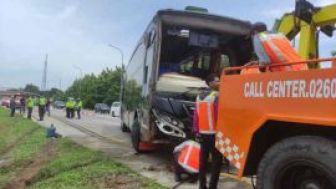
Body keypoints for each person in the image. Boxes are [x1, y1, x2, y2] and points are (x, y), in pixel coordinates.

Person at [194, 74, 223, 189]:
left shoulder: (198, 97)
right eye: (217, 81)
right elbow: (220, 116)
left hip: (202, 134)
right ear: (210, 83)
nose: (219, 82)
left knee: (203, 162)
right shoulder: (217, 96)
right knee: (217, 162)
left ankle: (202, 186)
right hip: (214, 134)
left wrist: (196, 132)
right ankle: (212, 187)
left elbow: (196, 116)